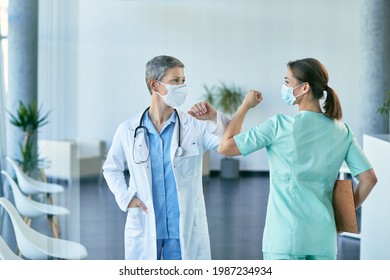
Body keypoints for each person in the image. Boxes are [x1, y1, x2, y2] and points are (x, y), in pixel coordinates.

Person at [217, 58, 377, 260]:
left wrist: (245, 106)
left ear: (304, 88)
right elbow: (369, 178)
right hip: (324, 240)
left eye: (287, 82)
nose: (283, 87)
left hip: (283, 239)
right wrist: (343, 215)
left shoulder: (278, 126)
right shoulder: (342, 131)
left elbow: (225, 147)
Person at [102, 55, 229, 260]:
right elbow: (111, 168)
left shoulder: (193, 125)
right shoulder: (128, 129)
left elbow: (231, 144)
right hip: (145, 224)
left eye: (183, 81)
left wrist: (214, 117)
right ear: (154, 85)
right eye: (175, 81)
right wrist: (125, 198)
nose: (182, 87)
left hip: (183, 230)